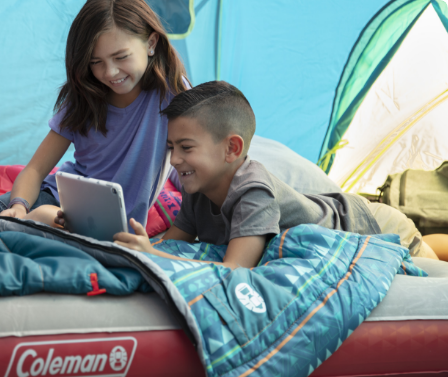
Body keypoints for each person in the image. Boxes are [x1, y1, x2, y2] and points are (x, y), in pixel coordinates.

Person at [114, 80, 442, 268]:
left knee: (431, 259)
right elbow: (172, 245)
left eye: (186, 147)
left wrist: (153, 253)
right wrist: (140, 246)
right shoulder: (196, 189)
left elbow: (234, 271)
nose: (175, 160)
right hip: (348, 211)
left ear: (232, 149)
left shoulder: (253, 191)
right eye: (171, 147)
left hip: (370, 224)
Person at [0, 0, 189, 229]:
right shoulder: (85, 100)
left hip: (102, 225)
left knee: (45, 219)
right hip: (55, 200)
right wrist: (18, 205)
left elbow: (191, 158)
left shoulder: (174, 96)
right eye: (95, 62)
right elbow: (35, 168)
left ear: (151, 43)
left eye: (121, 57)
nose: (109, 73)